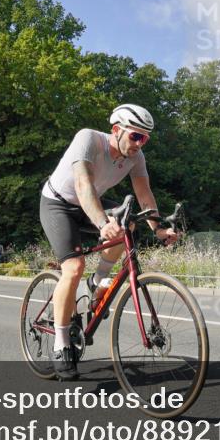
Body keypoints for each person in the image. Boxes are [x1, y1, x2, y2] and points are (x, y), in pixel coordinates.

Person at [40, 104, 178, 380]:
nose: (140, 143)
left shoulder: (136, 157)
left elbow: (145, 195)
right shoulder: (88, 139)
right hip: (58, 203)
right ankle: (61, 343)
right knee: (74, 267)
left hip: (90, 202)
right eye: (135, 136)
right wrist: (103, 224)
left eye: (145, 138)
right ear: (116, 130)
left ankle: (97, 281)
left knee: (128, 223)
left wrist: (159, 229)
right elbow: (83, 185)